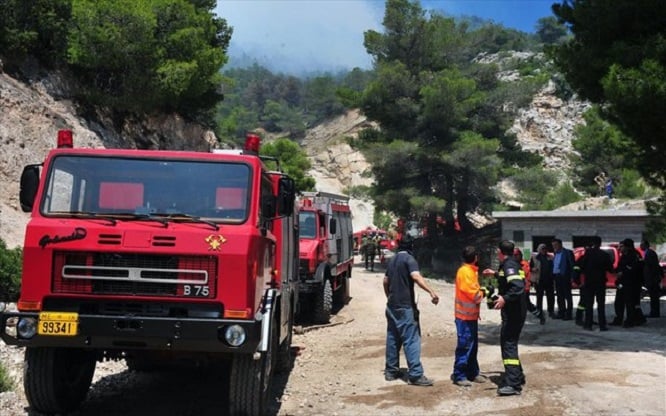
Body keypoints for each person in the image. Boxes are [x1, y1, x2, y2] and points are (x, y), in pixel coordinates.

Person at [383, 237, 439, 386]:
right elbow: (416, 276)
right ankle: (415, 374)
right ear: (411, 248)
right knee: (411, 339)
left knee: (393, 338)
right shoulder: (410, 259)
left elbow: (385, 281)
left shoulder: (392, 260)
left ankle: (391, 371)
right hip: (405, 306)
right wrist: (431, 292)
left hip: (392, 305)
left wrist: (389, 297)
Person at [490, 240, 527, 396]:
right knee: (510, 343)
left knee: (508, 344)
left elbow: (517, 286)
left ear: (500, 251)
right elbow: (510, 278)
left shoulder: (509, 265)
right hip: (517, 312)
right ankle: (517, 375)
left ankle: (513, 384)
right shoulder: (512, 264)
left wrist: (505, 298)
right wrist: (494, 274)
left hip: (513, 313)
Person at [451, 246, 489, 387]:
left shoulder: (471, 271)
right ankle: (460, 375)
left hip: (470, 317)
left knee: (472, 346)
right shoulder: (465, 273)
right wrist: (486, 290)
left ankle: (473, 372)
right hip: (464, 318)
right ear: (475, 258)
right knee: (465, 345)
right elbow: (475, 295)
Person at [576, 236, 613, 331]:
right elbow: (610, 269)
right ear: (600, 243)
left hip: (589, 282)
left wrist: (579, 279)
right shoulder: (604, 255)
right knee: (601, 305)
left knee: (589, 304)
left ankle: (588, 325)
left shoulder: (588, 254)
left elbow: (581, 267)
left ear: (592, 244)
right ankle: (602, 325)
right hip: (600, 282)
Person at [612, 238, 645, 327]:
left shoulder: (634, 255)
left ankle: (631, 321)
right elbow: (620, 266)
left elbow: (634, 269)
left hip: (632, 283)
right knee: (619, 301)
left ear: (627, 247)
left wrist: (623, 272)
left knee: (630, 303)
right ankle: (618, 319)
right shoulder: (623, 256)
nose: (620, 248)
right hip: (622, 283)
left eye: (622, 246)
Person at [515, 248, 544, 324]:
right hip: (516, 288)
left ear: (520, 255)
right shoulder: (513, 263)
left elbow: (523, 274)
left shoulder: (524, 264)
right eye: (514, 255)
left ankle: (540, 315)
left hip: (524, 288)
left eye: (516, 255)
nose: (515, 257)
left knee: (528, 305)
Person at [530, 244, 555, 319]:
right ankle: (539, 311)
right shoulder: (534, 257)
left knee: (550, 297)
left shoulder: (550, 257)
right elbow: (530, 267)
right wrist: (533, 269)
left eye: (545, 249)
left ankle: (551, 311)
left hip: (549, 280)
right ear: (539, 250)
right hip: (539, 280)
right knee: (539, 296)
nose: (544, 250)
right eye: (542, 249)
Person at [552, 239, 575, 320]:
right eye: (553, 245)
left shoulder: (568, 253)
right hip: (557, 276)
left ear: (560, 244)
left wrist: (572, 277)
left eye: (556, 245)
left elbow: (572, 265)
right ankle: (561, 312)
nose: (554, 247)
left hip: (565, 276)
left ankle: (568, 314)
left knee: (567, 295)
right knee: (559, 295)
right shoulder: (555, 253)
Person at [640, 239, 662, 318]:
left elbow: (652, 266)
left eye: (642, 244)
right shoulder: (647, 253)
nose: (640, 246)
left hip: (653, 279)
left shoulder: (649, 253)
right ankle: (654, 312)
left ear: (645, 245)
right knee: (653, 296)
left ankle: (655, 313)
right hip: (651, 278)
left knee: (654, 296)